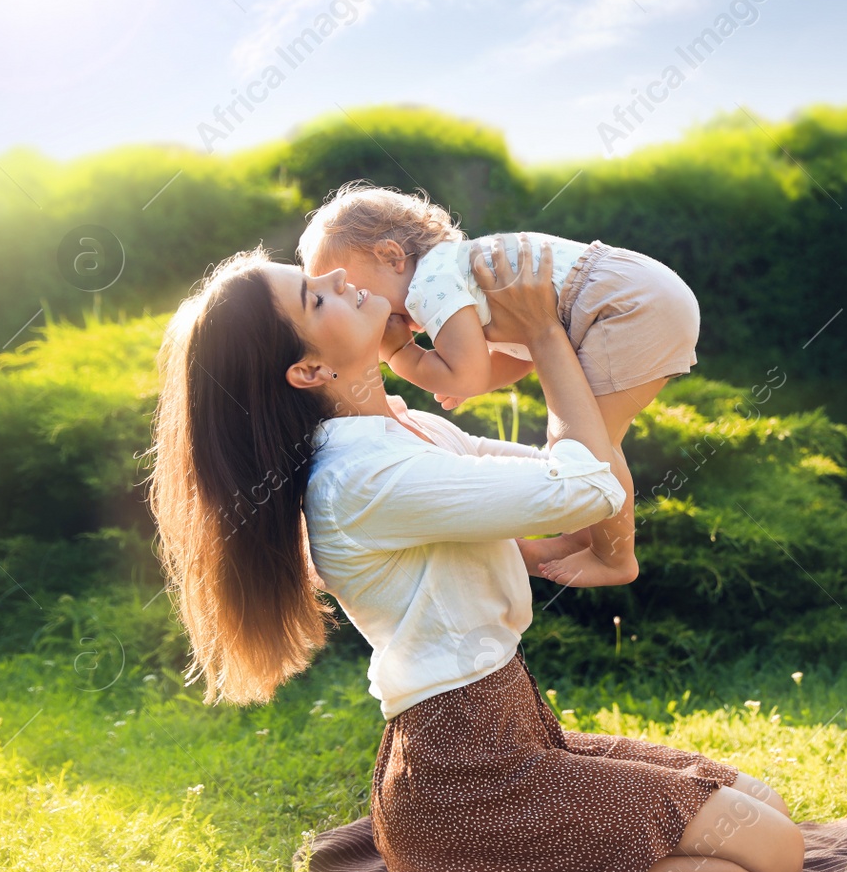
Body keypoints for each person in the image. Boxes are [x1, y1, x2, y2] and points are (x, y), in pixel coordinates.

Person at [148, 234, 802, 872]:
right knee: (771, 858)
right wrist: (546, 334)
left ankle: (505, 870)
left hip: (511, 734)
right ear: (308, 370)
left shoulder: (403, 429)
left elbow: (562, 479)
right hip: (464, 774)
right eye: (315, 295)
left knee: (764, 805)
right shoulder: (362, 475)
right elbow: (585, 485)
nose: (339, 274)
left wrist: (550, 525)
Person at [297, 181, 702, 589]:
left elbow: (468, 373)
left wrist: (403, 351)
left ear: (391, 256)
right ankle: (587, 532)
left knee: (590, 446)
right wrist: (468, 376)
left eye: (358, 289)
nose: (362, 301)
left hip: (622, 310)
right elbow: (516, 356)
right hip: (643, 293)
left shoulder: (429, 286)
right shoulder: (460, 266)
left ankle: (614, 557)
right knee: (594, 440)